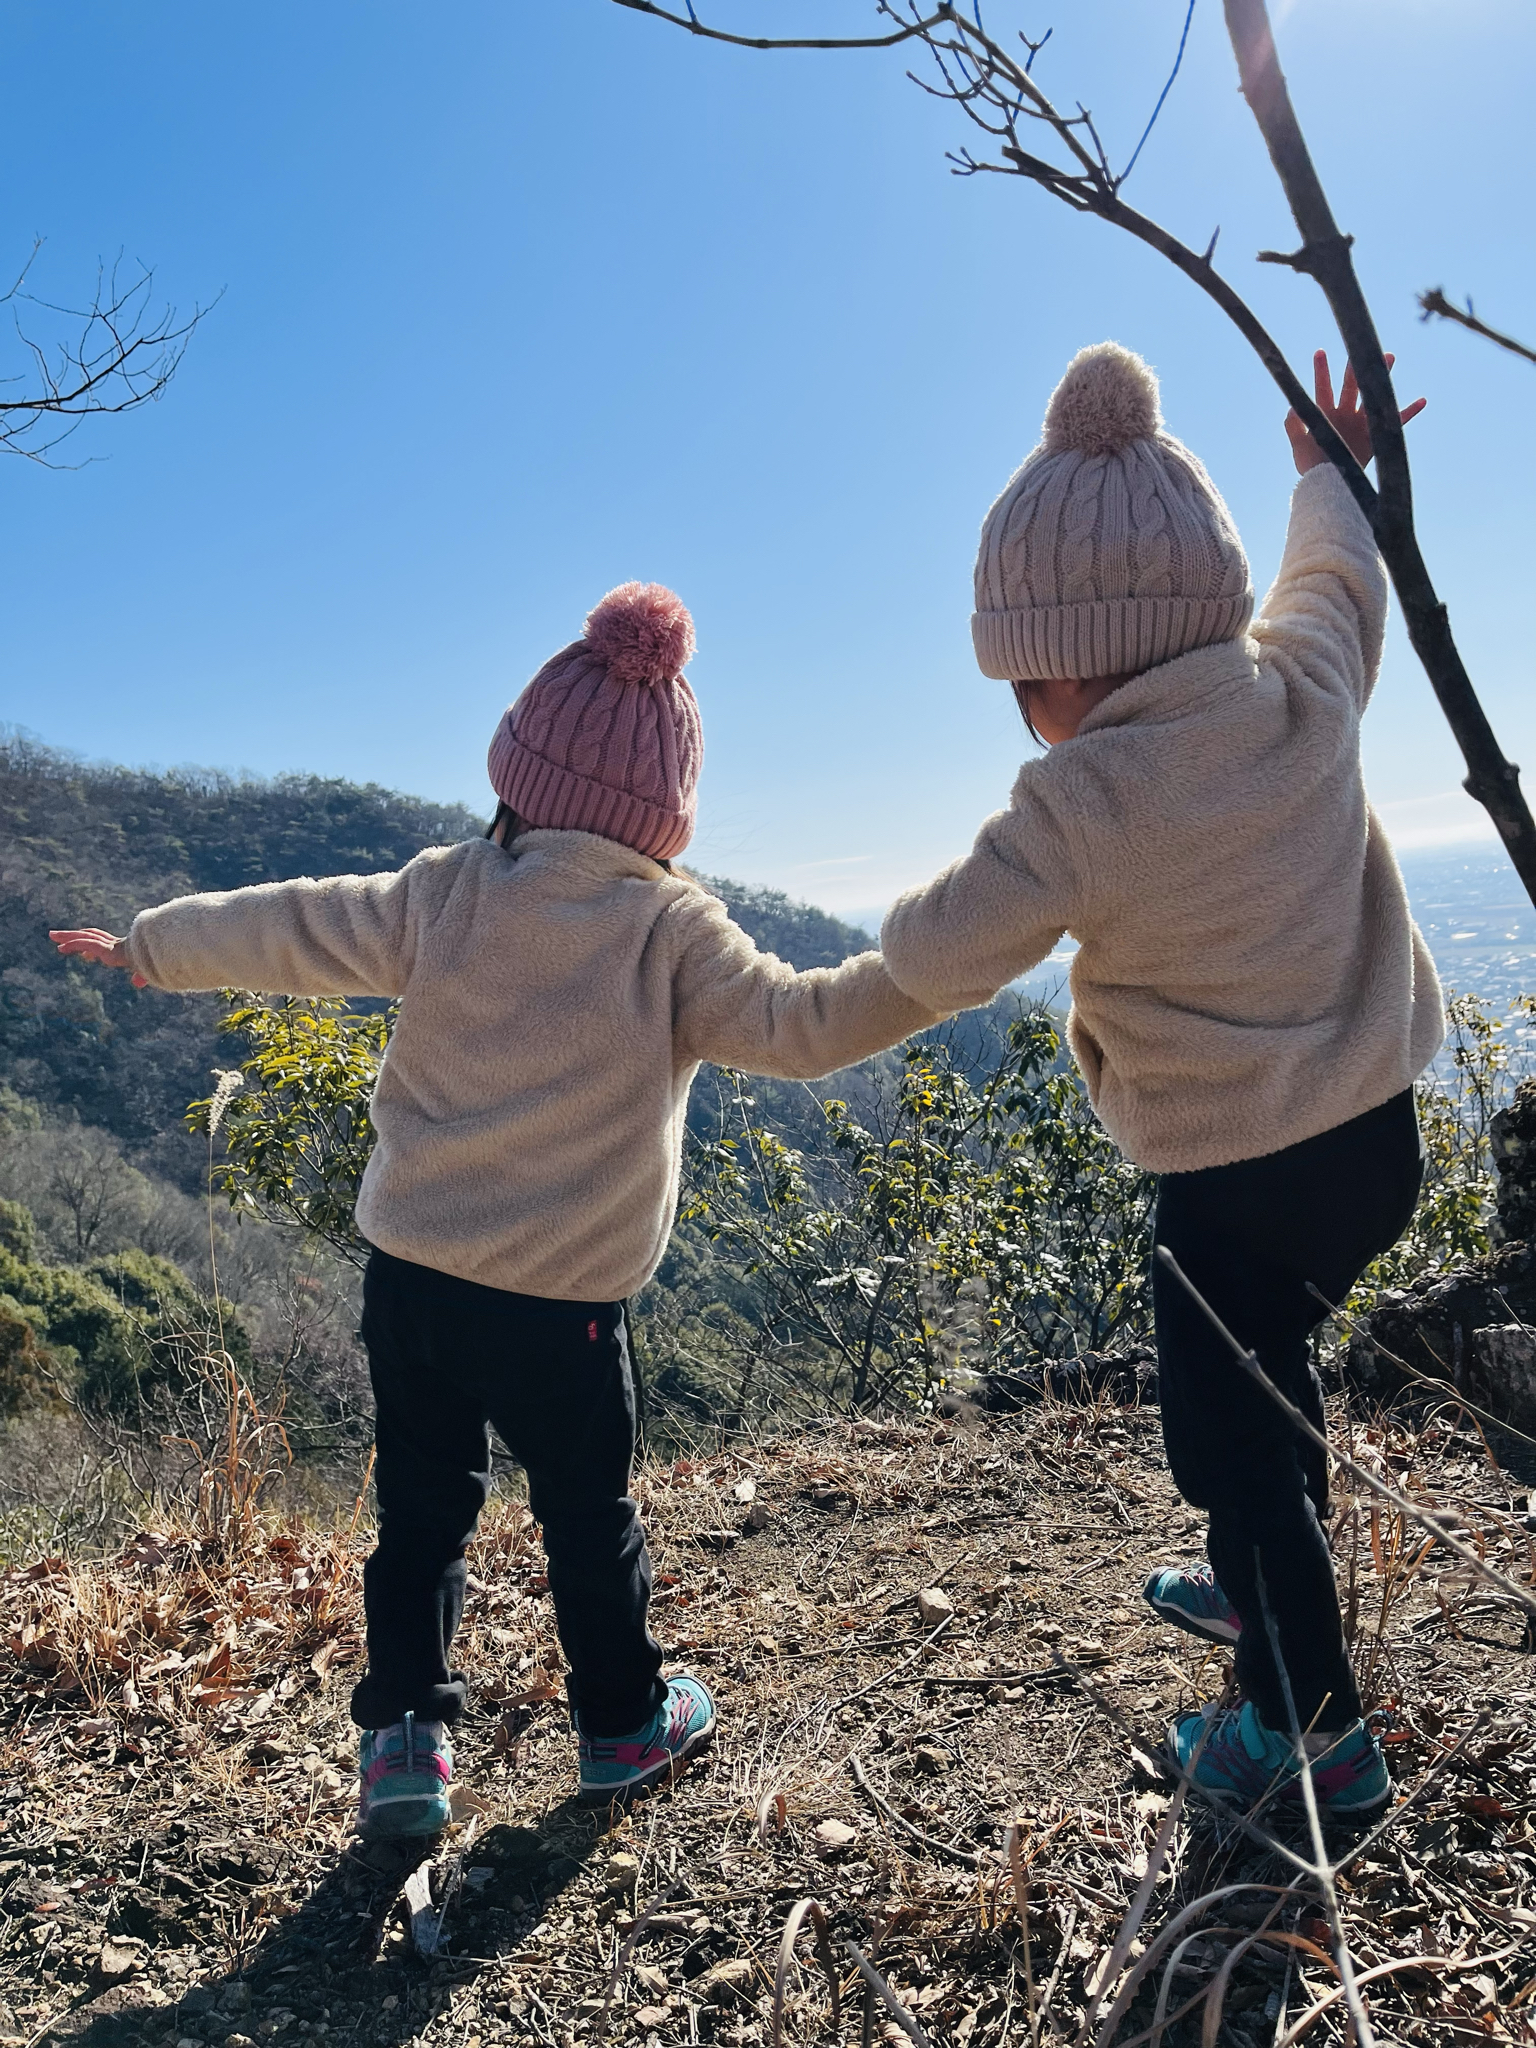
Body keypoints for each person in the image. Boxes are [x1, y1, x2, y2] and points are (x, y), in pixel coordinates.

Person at [52, 581, 939, 1835]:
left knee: (418, 1507)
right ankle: (625, 1723)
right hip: (565, 1303)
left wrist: (151, 941)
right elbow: (805, 1023)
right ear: (664, 812)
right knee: (586, 1512)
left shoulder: (451, 886)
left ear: (519, 762)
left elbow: (292, 924)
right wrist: (937, 964)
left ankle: (406, 1745)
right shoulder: (672, 928)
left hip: (411, 1270)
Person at [876, 343, 1437, 1815]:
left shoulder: (1082, 799)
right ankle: (1261, 1588)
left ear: (1052, 667)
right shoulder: (1301, 685)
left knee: (1230, 1440)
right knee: (1267, 1388)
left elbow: (941, 948)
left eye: (1020, 684)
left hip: (1236, 1182)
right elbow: (1336, 581)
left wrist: (852, 964)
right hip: (1376, 1144)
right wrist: (1331, 473)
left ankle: (1309, 1736)